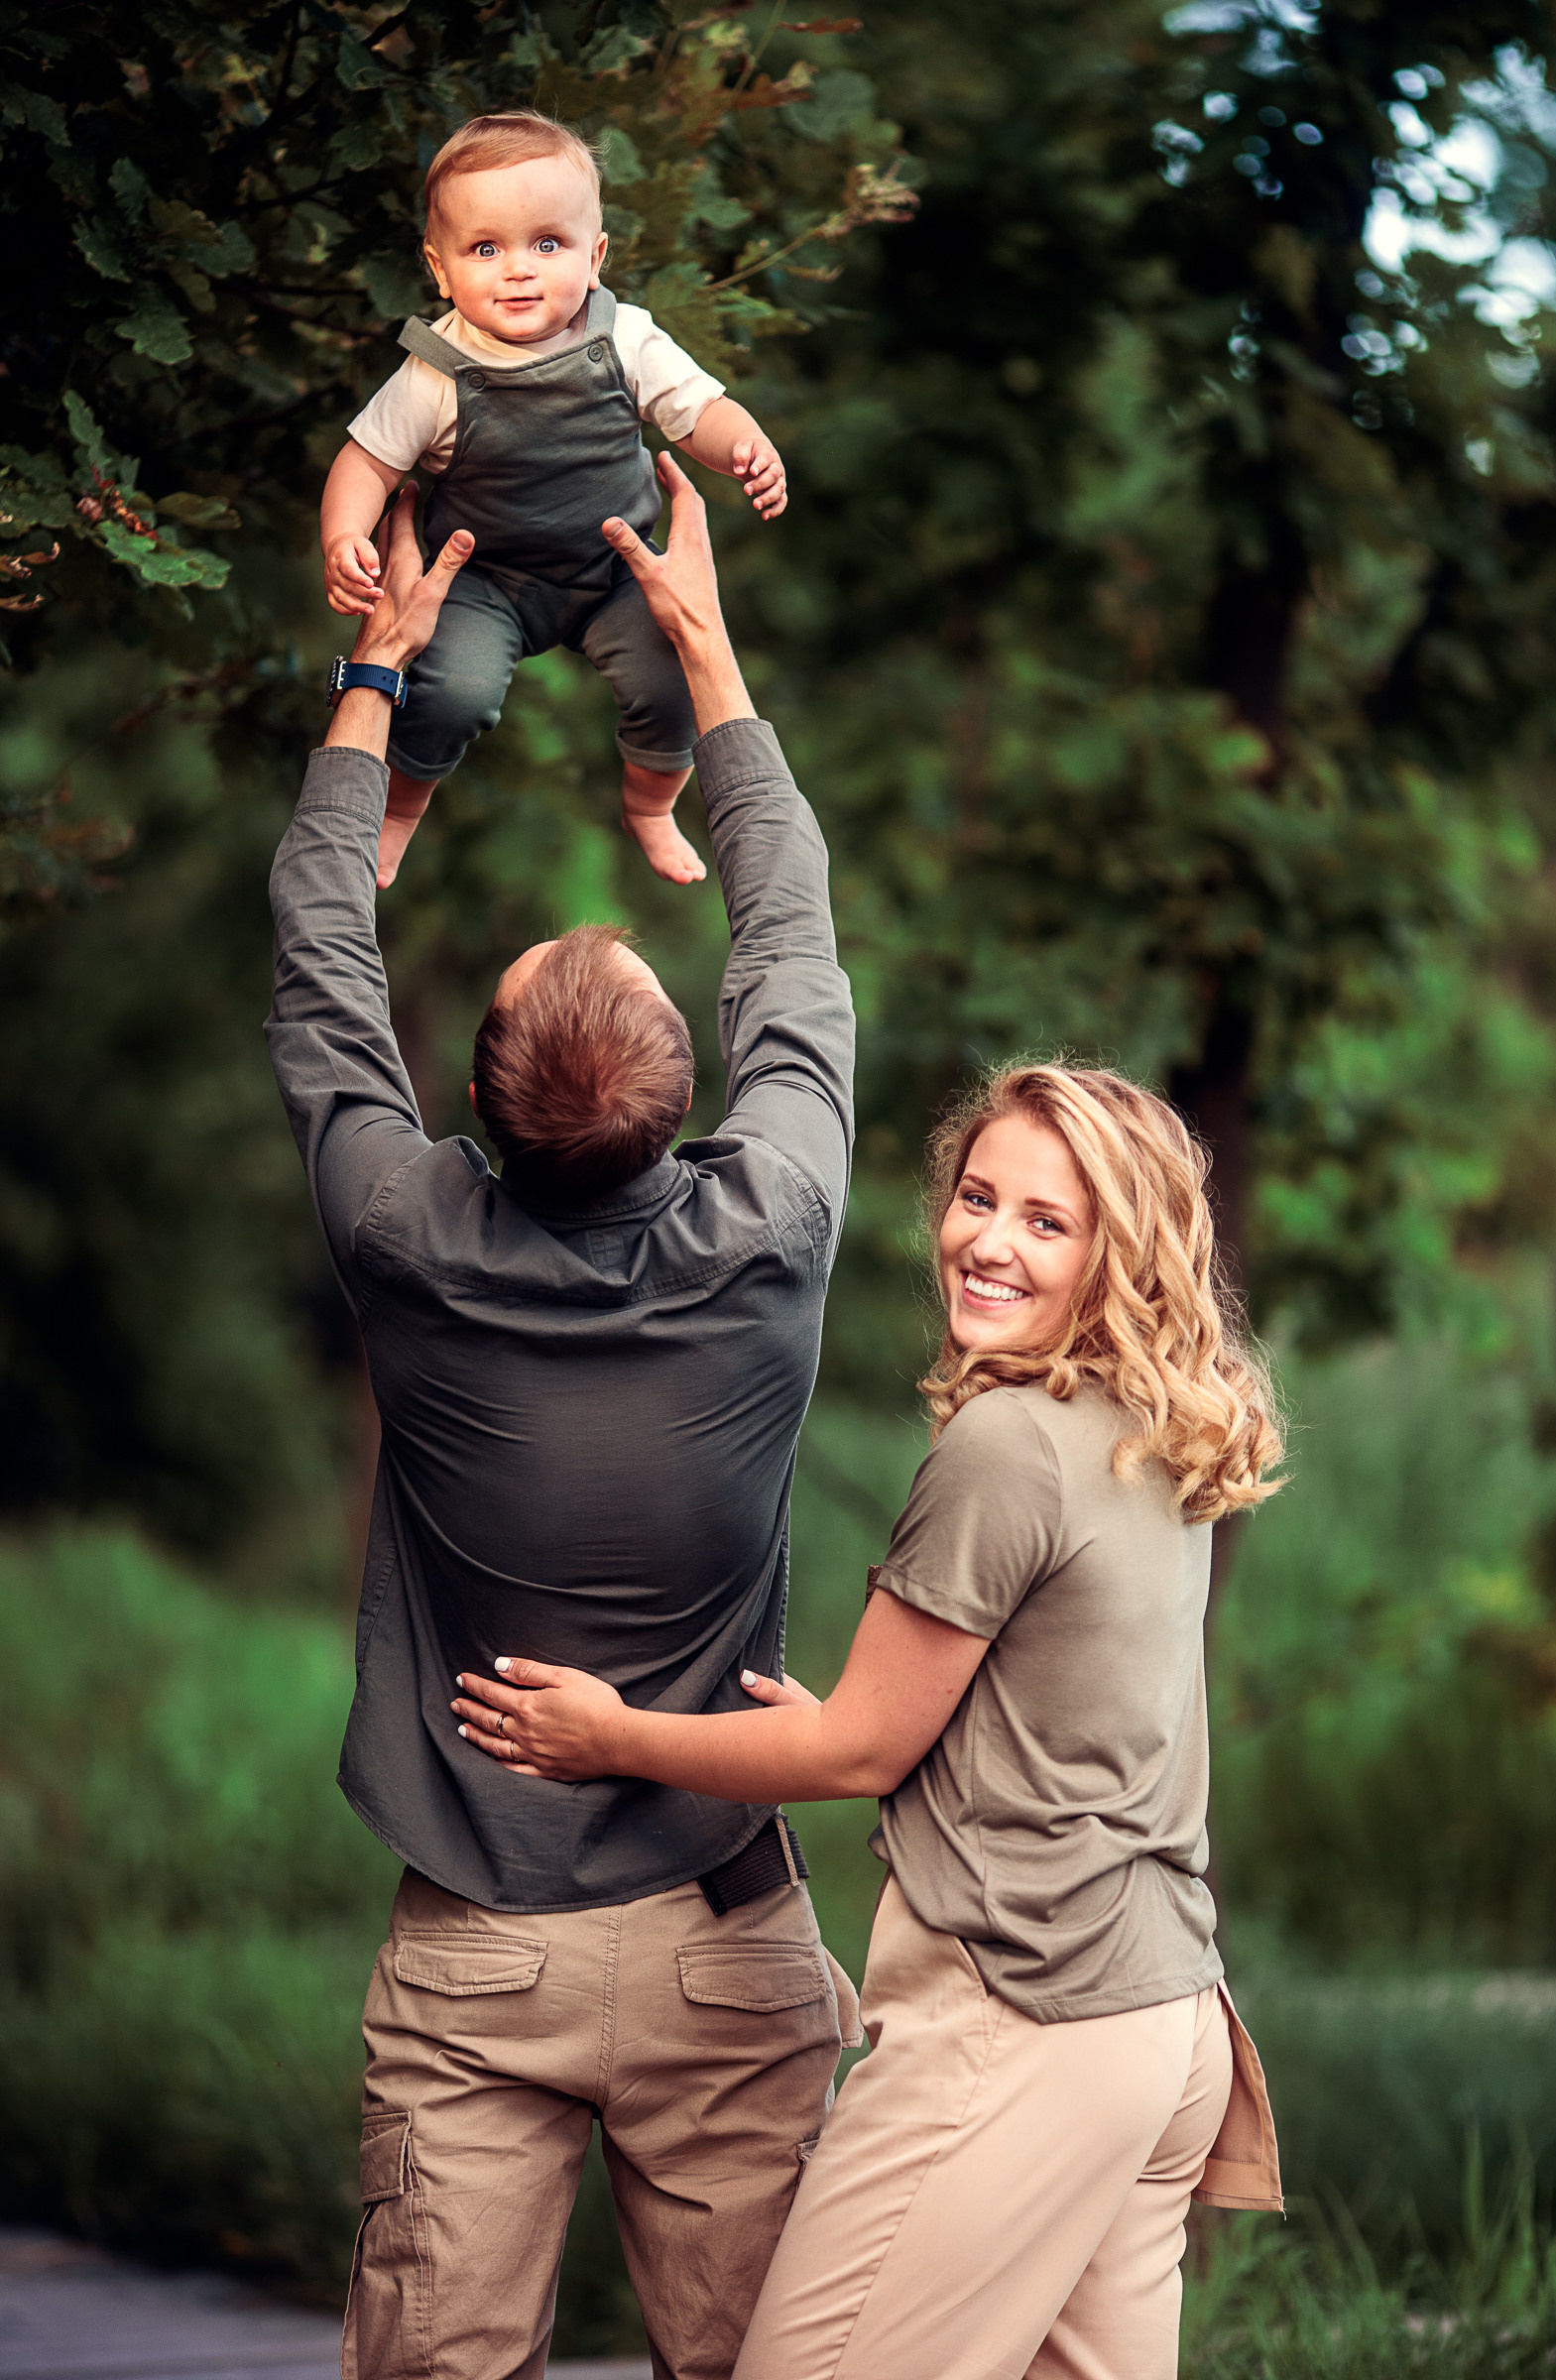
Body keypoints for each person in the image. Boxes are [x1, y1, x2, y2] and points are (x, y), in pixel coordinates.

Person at [268, 455, 859, 2380]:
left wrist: (376, 681)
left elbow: (316, 959)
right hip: (722, 1940)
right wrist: (705, 661)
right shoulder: (764, 1225)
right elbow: (788, 938)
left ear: (482, 1109)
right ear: (683, 1109)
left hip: (476, 1950)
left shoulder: (401, 1228)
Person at [454, 1063, 1288, 2380]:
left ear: (1117, 1254)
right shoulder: (1154, 1435)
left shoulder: (1007, 1447)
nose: (988, 1242)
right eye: (978, 1197)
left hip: (1024, 2020)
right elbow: (1055, 1722)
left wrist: (610, 1736)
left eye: (1047, 1221)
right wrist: (859, 1722)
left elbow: (855, 1749)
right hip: (1164, 2024)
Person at [320, 109, 787, 892]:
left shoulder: (624, 339)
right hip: (485, 581)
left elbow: (697, 410)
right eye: (485, 248)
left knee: (673, 682)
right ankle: (399, 812)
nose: (518, 269)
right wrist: (343, 537)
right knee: (446, 694)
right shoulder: (436, 369)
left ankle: (649, 804)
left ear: (595, 255)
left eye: (547, 244)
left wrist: (745, 444)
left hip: (616, 571)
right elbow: (365, 461)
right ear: (440, 270)